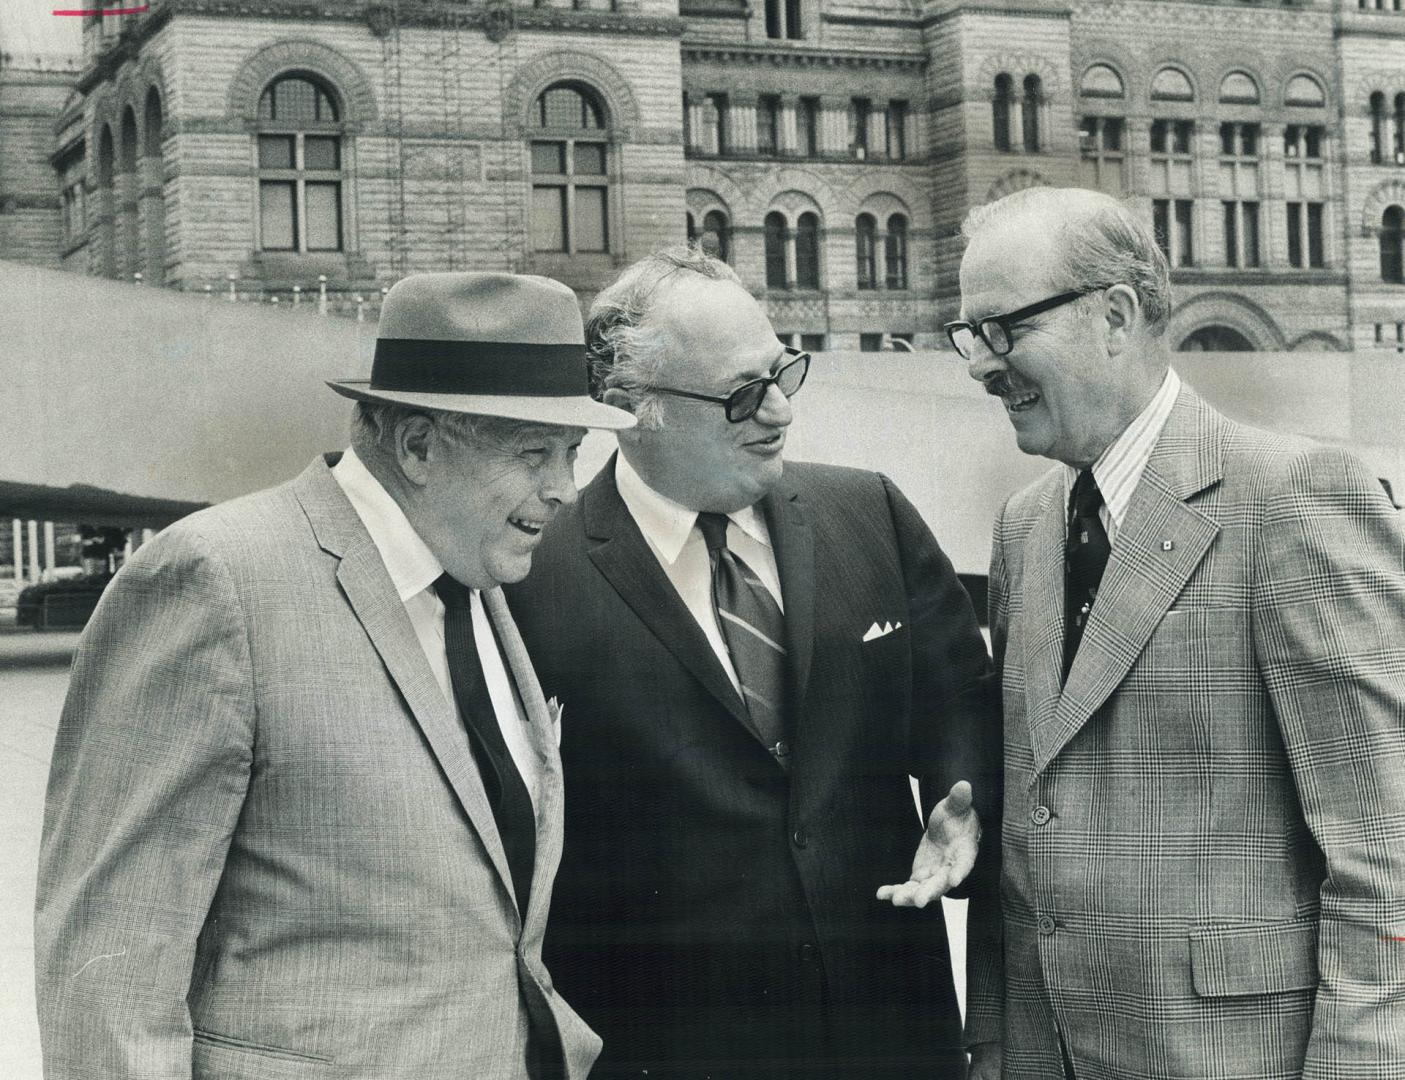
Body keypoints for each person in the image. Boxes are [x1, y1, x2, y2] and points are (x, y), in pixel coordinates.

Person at [34, 272, 635, 1079]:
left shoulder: (480, 581)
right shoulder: (217, 577)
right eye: (534, 454)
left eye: (573, 454)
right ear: (418, 445)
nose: (564, 490)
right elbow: (111, 963)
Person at [503, 246, 999, 1078]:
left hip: (891, 1040)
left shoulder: (867, 512)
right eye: (741, 394)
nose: (778, 412)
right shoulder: (531, 578)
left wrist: (963, 803)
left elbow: (961, 697)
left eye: (782, 373)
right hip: (672, 1051)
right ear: (632, 408)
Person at [950, 186, 1405, 1078]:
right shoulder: (1024, 525)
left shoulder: (1295, 499)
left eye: (1002, 329)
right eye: (969, 335)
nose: (979, 364)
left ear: (1114, 315)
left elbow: (1385, 851)